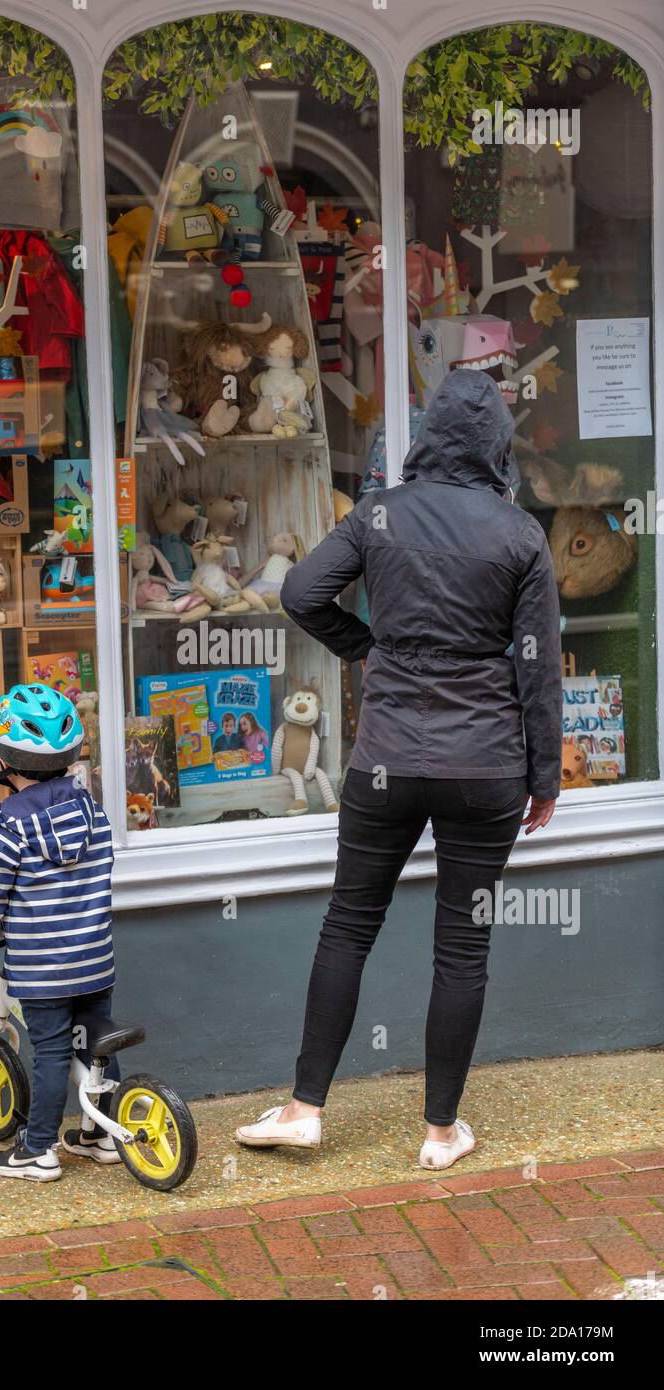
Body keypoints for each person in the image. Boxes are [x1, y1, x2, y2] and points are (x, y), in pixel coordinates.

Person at [236, 371, 563, 1170]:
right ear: (497, 445)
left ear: (427, 434)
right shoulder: (520, 534)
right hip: (486, 767)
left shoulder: (378, 512)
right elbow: (539, 668)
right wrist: (544, 777)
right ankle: (441, 1133)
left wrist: (369, 650)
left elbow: (303, 593)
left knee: (349, 923)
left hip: (386, 762)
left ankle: (305, 1109)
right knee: (463, 947)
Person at [0, 683, 118, 1182]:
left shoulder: (7, 826)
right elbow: (99, 874)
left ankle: (37, 1149)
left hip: (42, 970)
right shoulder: (92, 812)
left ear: (4, 761)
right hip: (96, 960)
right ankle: (101, 1134)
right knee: (95, 1046)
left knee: (52, 1054)